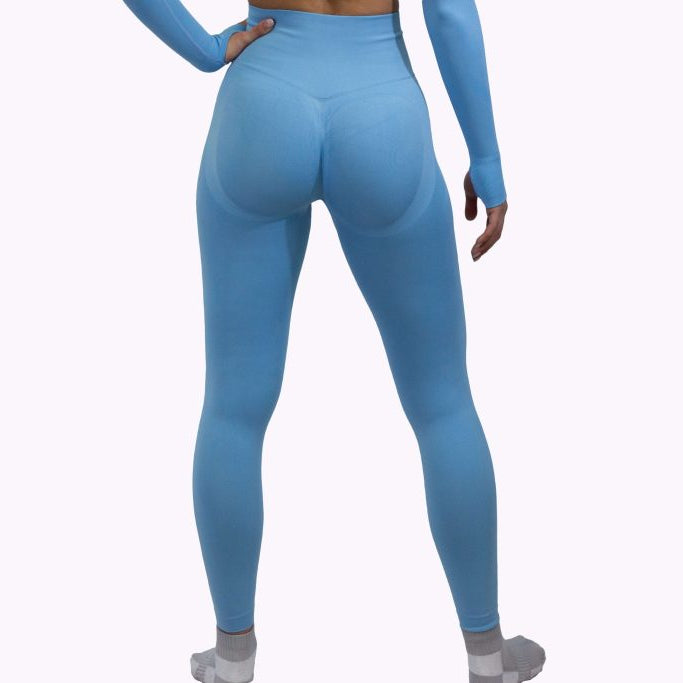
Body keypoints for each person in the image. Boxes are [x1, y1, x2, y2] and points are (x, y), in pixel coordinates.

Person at [120, 0, 545, 681]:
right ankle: (487, 657)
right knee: (442, 404)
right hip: (382, 113)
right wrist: (486, 156)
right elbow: (449, 15)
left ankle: (232, 658)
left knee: (233, 407)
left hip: (261, 105)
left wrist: (203, 49)